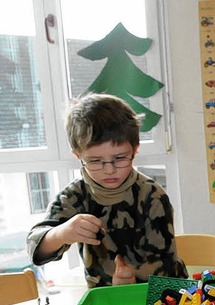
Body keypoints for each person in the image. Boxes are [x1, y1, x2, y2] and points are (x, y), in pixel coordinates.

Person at [27, 93, 188, 287]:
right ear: (78, 156)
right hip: (106, 301)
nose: (109, 170)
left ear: (135, 150)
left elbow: (166, 273)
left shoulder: (152, 196)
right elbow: (35, 249)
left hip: (159, 300)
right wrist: (62, 233)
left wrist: (127, 283)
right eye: (95, 161)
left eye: (119, 158)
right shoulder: (74, 197)